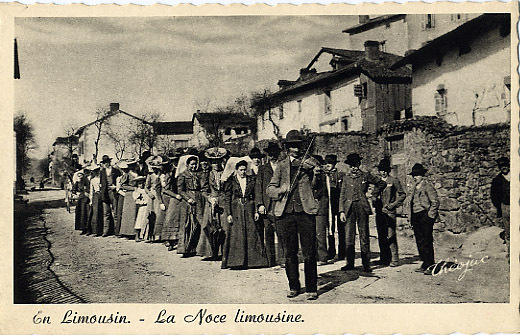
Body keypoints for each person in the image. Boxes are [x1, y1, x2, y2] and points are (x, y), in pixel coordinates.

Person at [267, 129, 320, 301]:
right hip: (285, 213)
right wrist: (281, 190)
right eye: (292, 147)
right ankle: (294, 286)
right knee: (289, 252)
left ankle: (312, 287)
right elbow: (270, 189)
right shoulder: (281, 166)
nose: (296, 150)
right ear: (287, 148)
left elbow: (318, 183)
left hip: (305, 212)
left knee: (309, 252)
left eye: (298, 146)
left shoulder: (310, 163)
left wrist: (316, 173)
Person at [339, 153, 386, 273]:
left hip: (361, 207)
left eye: (355, 165)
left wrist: (373, 194)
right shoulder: (346, 177)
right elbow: (342, 195)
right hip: (348, 208)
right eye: (351, 166)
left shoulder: (365, 176)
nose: (354, 168)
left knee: (364, 235)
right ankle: (350, 263)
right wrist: (341, 211)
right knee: (349, 236)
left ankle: (366, 264)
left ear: (359, 164)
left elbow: (381, 183)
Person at [224, 160, 268, 269]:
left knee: (252, 232)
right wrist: (229, 213)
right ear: (236, 170)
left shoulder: (251, 180)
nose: (243, 172)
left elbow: (256, 194)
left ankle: (254, 261)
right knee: (237, 235)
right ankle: (236, 262)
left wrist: (256, 211)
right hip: (236, 209)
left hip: (249, 207)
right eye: (241, 170)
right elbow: (227, 198)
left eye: (244, 170)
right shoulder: (231, 181)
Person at [373, 158, 406, 267]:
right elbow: (374, 194)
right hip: (379, 212)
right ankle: (384, 258)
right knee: (381, 236)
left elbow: (402, 195)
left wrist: (393, 205)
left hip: (389, 212)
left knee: (390, 235)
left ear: (388, 170)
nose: (382, 172)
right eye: (381, 170)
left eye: (384, 170)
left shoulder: (394, 180)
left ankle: (395, 259)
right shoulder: (377, 182)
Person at [255, 141, 283, 267]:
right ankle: (271, 261)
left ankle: (283, 259)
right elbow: (258, 188)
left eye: (275, 153)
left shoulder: (284, 167)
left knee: (282, 233)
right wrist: (260, 204)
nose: (273, 156)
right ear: (267, 155)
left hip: (281, 205)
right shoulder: (263, 169)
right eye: (271, 154)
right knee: (268, 234)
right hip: (267, 206)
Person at [408, 163, 439, 275]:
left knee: (427, 241)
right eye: (413, 175)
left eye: (417, 175)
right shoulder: (414, 188)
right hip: (416, 216)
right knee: (419, 241)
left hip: (424, 216)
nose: (415, 177)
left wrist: (430, 216)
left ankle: (431, 265)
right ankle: (424, 263)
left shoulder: (427, 186)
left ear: (422, 176)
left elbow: (435, 202)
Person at [198, 147, 228, 260]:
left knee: (224, 226)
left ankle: (224, 251)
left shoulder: (226, 173)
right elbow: (203, 190)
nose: (216, 164)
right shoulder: (207, 175)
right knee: (209, 226)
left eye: (218, 161)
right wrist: (209, 198)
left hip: (223, 202)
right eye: (214, 162)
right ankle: (211, 251)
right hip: (212, 202)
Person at [177, 155, 205, 257]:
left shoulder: (199, 174)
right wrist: (188, 198)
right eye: (192, 164)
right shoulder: (183, 175)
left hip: (199, 199)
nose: (194, 166)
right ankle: (186, 249)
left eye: (195, 164)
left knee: (199, 222)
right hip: (188, 201)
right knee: (188, 224)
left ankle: (198, 248)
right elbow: (180, 190)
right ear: (187, 165)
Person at [311, 155, 331, 266]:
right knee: (311, 233)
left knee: (320, 233)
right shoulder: (311, 174)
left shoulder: (323, 176)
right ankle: (314, 255)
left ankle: (323, 257)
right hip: (311, 207)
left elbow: (316, 188)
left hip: (320, 207)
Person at [323, 154, 342, 261]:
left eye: (330, 163)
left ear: (334, 164)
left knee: (341, 228)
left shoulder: (340, 175)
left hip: (338, 205)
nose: (327, 165)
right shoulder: (325, 175)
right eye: (326, 163)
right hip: (328, 205)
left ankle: (342, 251)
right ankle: (331, 251)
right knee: (330, 228)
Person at [490, 156, 510, 259]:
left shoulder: (515, 176)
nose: (504, 168)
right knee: (508, 231)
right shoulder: (497, 180)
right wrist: (500, 207)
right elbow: (494, 195)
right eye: (501, 166)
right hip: (505, 207)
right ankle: (511, 252)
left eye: (505, 165)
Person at [145, 156, 167, 242]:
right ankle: (151, 235)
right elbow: (146, 187)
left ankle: (160, 235)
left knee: (160, 214)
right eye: (153, 168)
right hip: (153, 196)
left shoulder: (162, 175)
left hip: (160, 195)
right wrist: (149, 193)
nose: (154, 169)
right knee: (152, 215)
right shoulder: (150, 176)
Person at [99, 154, 120, 237]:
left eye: (107, 162)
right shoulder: (102, 172)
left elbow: (120, 181)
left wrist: (116, 187)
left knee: (115, 213)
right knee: (106, 213)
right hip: (105, 194)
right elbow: (101, 183)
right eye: (105, 162)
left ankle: (116, 231)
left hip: (113, 193)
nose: (106, 164)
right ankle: (106, 231)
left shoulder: (115, 171)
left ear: (110, 162)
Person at [73, 168, 90, 235]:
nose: (80, 177)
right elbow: (73, 190)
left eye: (81, 175)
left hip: (85, 199)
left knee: (85, 213)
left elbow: (88, 189)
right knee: (80, 213)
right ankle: (82, 228)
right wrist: (76, 193)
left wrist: (86, 192)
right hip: (80, 199)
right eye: (78, 176)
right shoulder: (77, 183)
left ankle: (87, 228)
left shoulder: (86, 182)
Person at [88, 164, 103, 236]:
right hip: (96, 196)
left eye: (97, 171)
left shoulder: (102, 179)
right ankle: (95, 231)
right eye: (95, 171)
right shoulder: (93, 180)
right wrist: (91, 200)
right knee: (95, 213)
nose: (97, 172)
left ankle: (103, 230)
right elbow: (91, 190)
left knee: (103, 212)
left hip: (102, 195)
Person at [133, 176, 149, 242]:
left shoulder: (146, 190)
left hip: (146, 206)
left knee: (146, 220)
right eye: (139, 183)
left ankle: (145, 236)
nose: (141, 185)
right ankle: (137, 235)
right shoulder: (137, 191)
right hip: (141, 207)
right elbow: (136, 199)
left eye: (142, 183)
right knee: (139, 220)